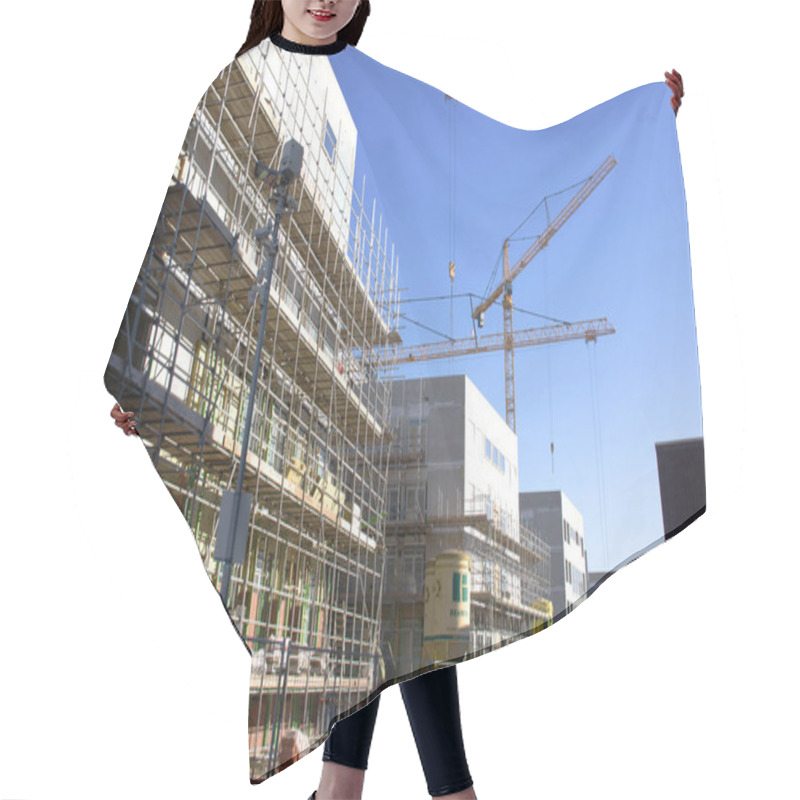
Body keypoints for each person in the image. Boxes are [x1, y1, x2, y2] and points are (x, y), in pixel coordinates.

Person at [110, 2, 685, 798]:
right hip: (305, 416)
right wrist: (148, 379)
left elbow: (489, 167)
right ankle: (419, 793)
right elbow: (189, 251)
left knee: (393, 612)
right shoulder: (237, 85)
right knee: (391, 611)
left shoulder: (377, 91)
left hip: (367, 414)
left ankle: (353, 791)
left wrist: (637, 124)